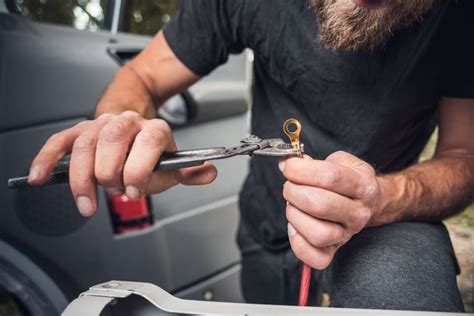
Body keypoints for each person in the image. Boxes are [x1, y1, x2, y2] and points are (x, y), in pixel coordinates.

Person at [28, 0, 473, 311]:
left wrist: (383, 196)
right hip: (265, 228)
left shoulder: (460, 18)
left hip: (385, 225)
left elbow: (464, 156)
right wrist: (123, 125)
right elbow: (142, 76)